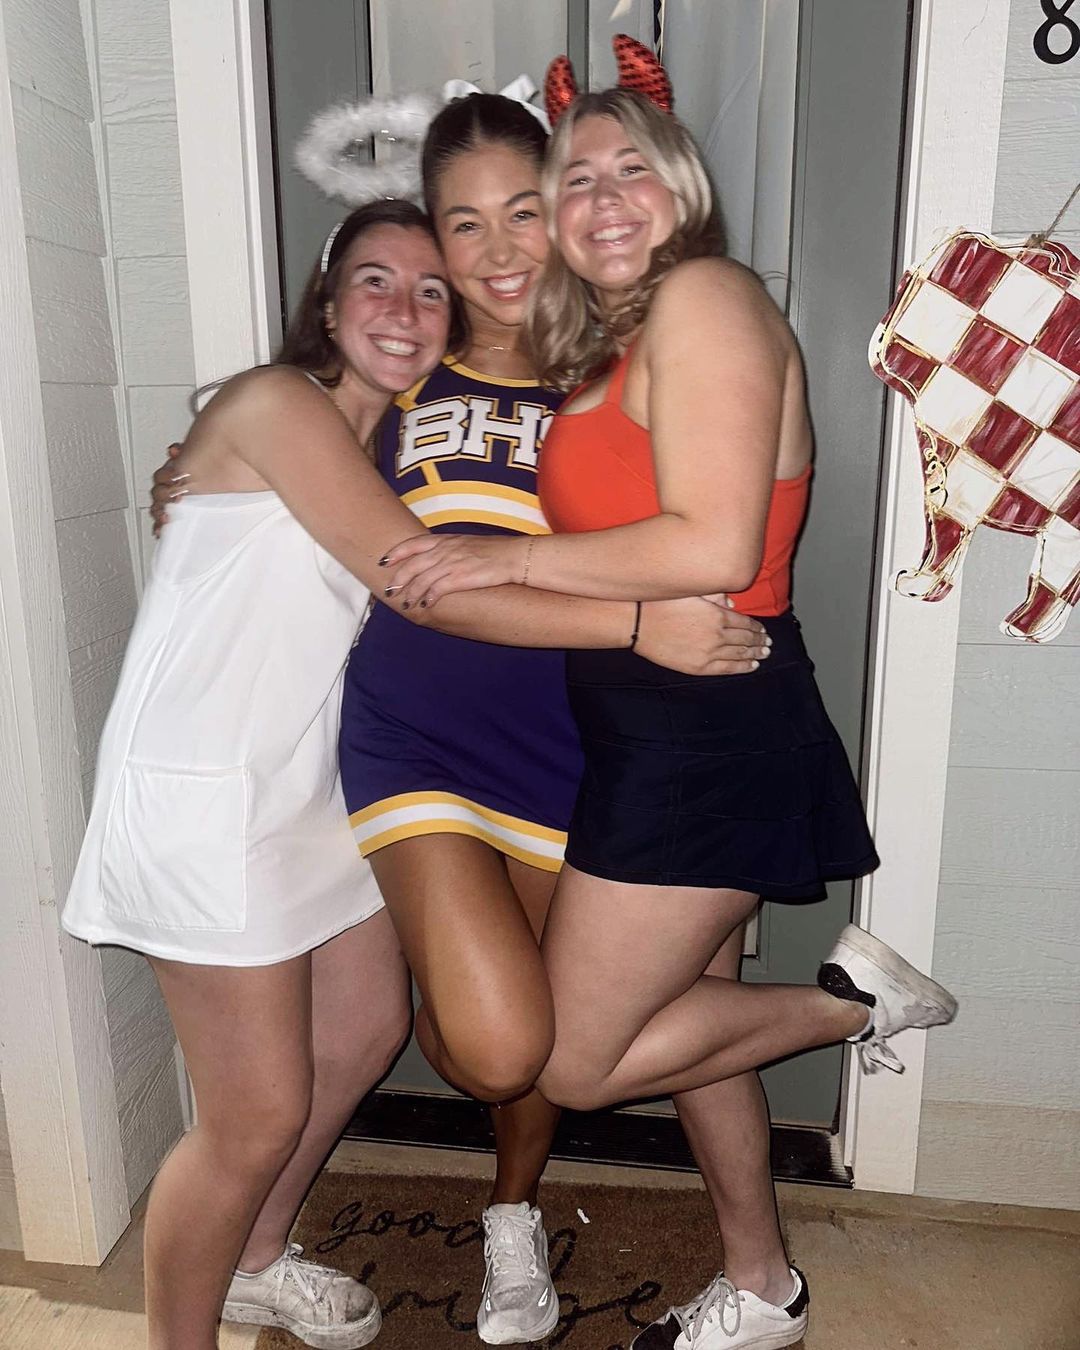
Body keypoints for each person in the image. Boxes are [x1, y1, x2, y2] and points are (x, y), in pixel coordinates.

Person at [148, 94, 769, 1348]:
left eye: (522, 213)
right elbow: (290, 457)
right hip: (414, 737)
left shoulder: (622, 369)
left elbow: (711, 522)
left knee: (536, 1035)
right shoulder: (401, 369)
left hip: (573, 741)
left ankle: (511, 1210)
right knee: (490, 1045)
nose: (493, 251)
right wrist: (197, 462)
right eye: (462, 223)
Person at [381, 89, 958, 1350]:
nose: (600, 198)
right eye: (575, 180)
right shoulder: (613, 345)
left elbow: (716, 543)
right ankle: (764, 1285)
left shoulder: (707, 297)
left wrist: (501, 559)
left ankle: (857, 1005)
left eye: (627, 169)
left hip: (708, 723)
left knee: (572, 1061)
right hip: (646, 716)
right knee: (697, 1028)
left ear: (684, 187)